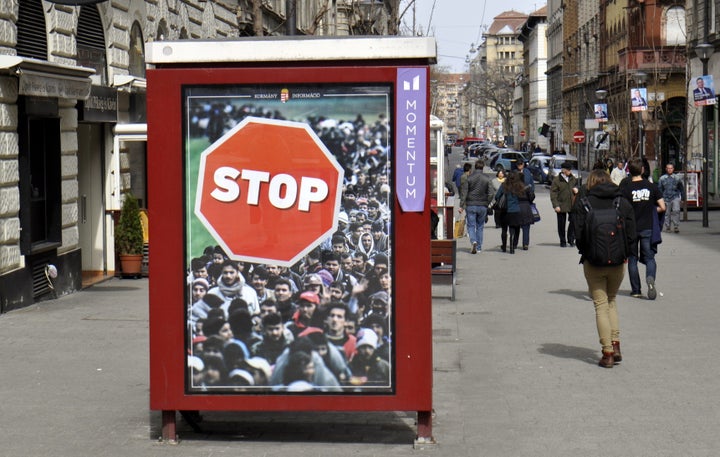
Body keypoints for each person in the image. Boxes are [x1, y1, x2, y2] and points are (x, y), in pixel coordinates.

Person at [572, 169, 637, 368]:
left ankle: (607, 352)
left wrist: (587, 253)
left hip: (594, 262)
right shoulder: (621, 202)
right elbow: (632, 233)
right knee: (612, 301)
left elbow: (578, 235)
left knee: (600, 305)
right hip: (618, 261)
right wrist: (626, 255)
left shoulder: (584, 203)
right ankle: (616, 345)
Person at [620, 158, 666, 300]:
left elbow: (621, 210)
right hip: (647, 227)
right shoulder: (651, 186)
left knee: (632, 258)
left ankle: (636, 290)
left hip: (631, 229)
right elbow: (663, 207)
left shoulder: (626, 189)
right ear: (642, 170)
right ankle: (650, 279)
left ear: (629, 171)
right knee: (649, 257)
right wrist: (652, 211)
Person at [494, 171, 534, 253]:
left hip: (505, 210)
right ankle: (512, 248)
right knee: (512, 229)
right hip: (515, 210)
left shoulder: (504, 185)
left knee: (504, 229)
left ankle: (504, 246)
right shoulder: (519, 186)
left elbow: (497, 196)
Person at [459, 160, 494, 254]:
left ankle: (473, 241)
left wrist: (461, 205)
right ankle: (478, 247)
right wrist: (487, 202)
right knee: (480, 226)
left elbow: (464, 193)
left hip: (471, 204)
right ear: (483, 167)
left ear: (475, 167)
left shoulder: (469, 178)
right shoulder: (487, 178)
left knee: (471, 225)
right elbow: (491, 193)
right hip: (482, 205)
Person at [550, 162, 579, 247]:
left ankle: (571, 239)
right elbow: (553, 193)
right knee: (561, 224)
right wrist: (556, 205)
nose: (569, 171)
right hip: (561, 204)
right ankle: (562, 241)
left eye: (570, 170)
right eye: (568, 170)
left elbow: (577, 186)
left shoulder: (572, 178)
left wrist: (576, 189)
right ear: (563, 170)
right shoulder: (557, 180)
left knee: (574, 221)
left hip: (572, 204)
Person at [657, 163, 684, 233]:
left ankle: (676, 226)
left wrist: (683, 198)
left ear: (673, 169)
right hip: (665, 197)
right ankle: (668, 226)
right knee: (667, 213)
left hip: (675, 196)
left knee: (676, 211)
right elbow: (659, 189)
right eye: (668, 168)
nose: (669, 170)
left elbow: (681, 188)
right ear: (666, 169)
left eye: (671, 168)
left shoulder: (677, 178)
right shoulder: (662, 179)